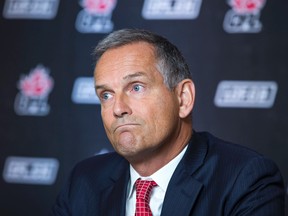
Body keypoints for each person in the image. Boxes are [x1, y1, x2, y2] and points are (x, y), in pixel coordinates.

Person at [51, 29, 284, 215]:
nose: (118, 108)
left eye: (136, 87)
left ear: (183, 98)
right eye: (106, 95)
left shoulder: (246, 179)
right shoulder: (83, 182)